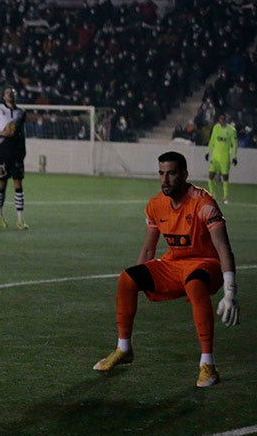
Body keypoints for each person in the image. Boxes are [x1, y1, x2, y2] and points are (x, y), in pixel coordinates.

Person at [93, 151, 240, 387]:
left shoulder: (204, 204)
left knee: (194, 283)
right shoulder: (155, 205)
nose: (165, 180)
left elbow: (223, 248)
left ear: (184, 175)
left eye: (171, 173)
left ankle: (208, 365)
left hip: (206, 264)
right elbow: (149, 249)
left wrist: (230, 291)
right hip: (174, 265)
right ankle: (124, 348)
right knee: (126, 279)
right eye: (161, 173)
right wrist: (138, 279)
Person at [0, 87, 29, 230]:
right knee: (2, 183)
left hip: (17, 152)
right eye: (7, 93)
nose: (10, 95)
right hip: (3, 151)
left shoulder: (21, 113)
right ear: (4, 96)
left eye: (13, 92)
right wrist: (2, 132)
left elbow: (23, 134)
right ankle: (0, 213)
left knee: (18, 184)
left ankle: (20, 219)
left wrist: (23, 150)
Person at [206, 112, 238, 204]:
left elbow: (235, 144)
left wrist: (235, 157)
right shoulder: (216, 128)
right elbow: (212, 140)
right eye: (220, 119)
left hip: (225, 157)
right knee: (210, 176)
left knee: (225, 177)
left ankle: (225, 197)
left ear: (226, 120)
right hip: (215, 156)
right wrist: (208, 152)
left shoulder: (231, 130)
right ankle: (212, 195)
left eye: (223, 119)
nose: (221, 121)